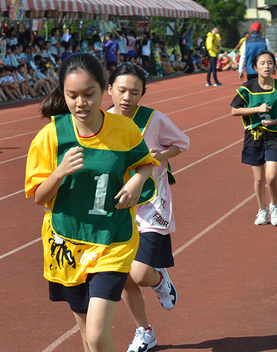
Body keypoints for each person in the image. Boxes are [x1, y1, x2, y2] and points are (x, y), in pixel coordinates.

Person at [25, 53, 158, 352]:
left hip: (113, 240)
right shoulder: (50, 137)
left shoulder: (124, 129)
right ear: (63, 93)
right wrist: (58, 173)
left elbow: (145, 163)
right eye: (72, 96)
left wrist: (138, 179)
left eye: (89, 94)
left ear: (104, 89)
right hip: (67, 243)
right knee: (87, 337)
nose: (81, 103)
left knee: (98, 336)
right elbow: (38, 197)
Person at [106, 63, 189, 352]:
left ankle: (159, 280)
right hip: (116, 207)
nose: (127, 97)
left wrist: (159, 154)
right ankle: (144, 331)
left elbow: (182, 143)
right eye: (122, 90)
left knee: (140, 274)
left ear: (142, 94)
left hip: (152, 203)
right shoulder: (100, 121)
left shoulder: (153, 119)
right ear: (110, 90)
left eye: (134, 92)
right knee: (121, 276)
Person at [231, 50, 277, 226]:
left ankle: (274, 206)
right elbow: (234, 110)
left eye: (270, 63)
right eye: (262, 63)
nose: (266, 66)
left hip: (275, 135)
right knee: (259, 179)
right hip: (253, 136)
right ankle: (262, 210)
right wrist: (256, 109)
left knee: (271, 176)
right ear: (255, 67)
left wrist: (276, 120)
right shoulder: (247, 88)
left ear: (274, 66)